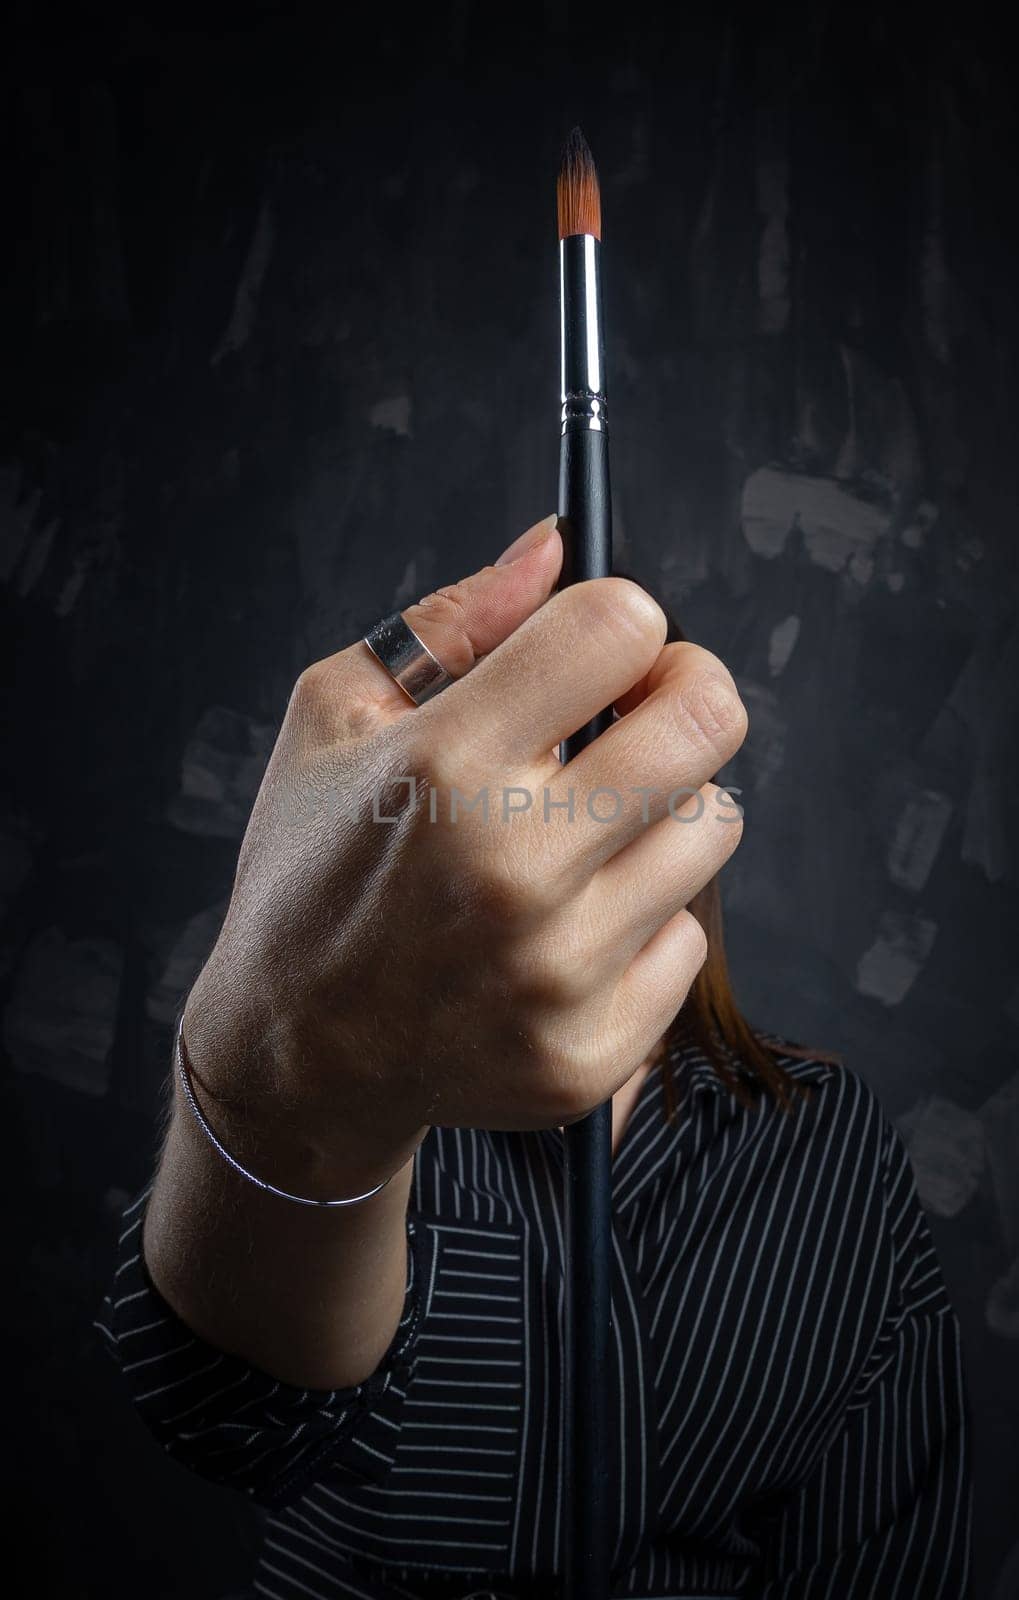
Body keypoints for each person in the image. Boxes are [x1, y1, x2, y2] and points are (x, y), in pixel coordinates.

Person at [96, 515, 972, 1599]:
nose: (547, 805)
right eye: (518, 750)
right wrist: (288, 1083)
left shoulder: (823, 1141)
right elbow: (226, 1411)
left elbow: (888, 1546)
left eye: (598, 737)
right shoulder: (379, 1086)